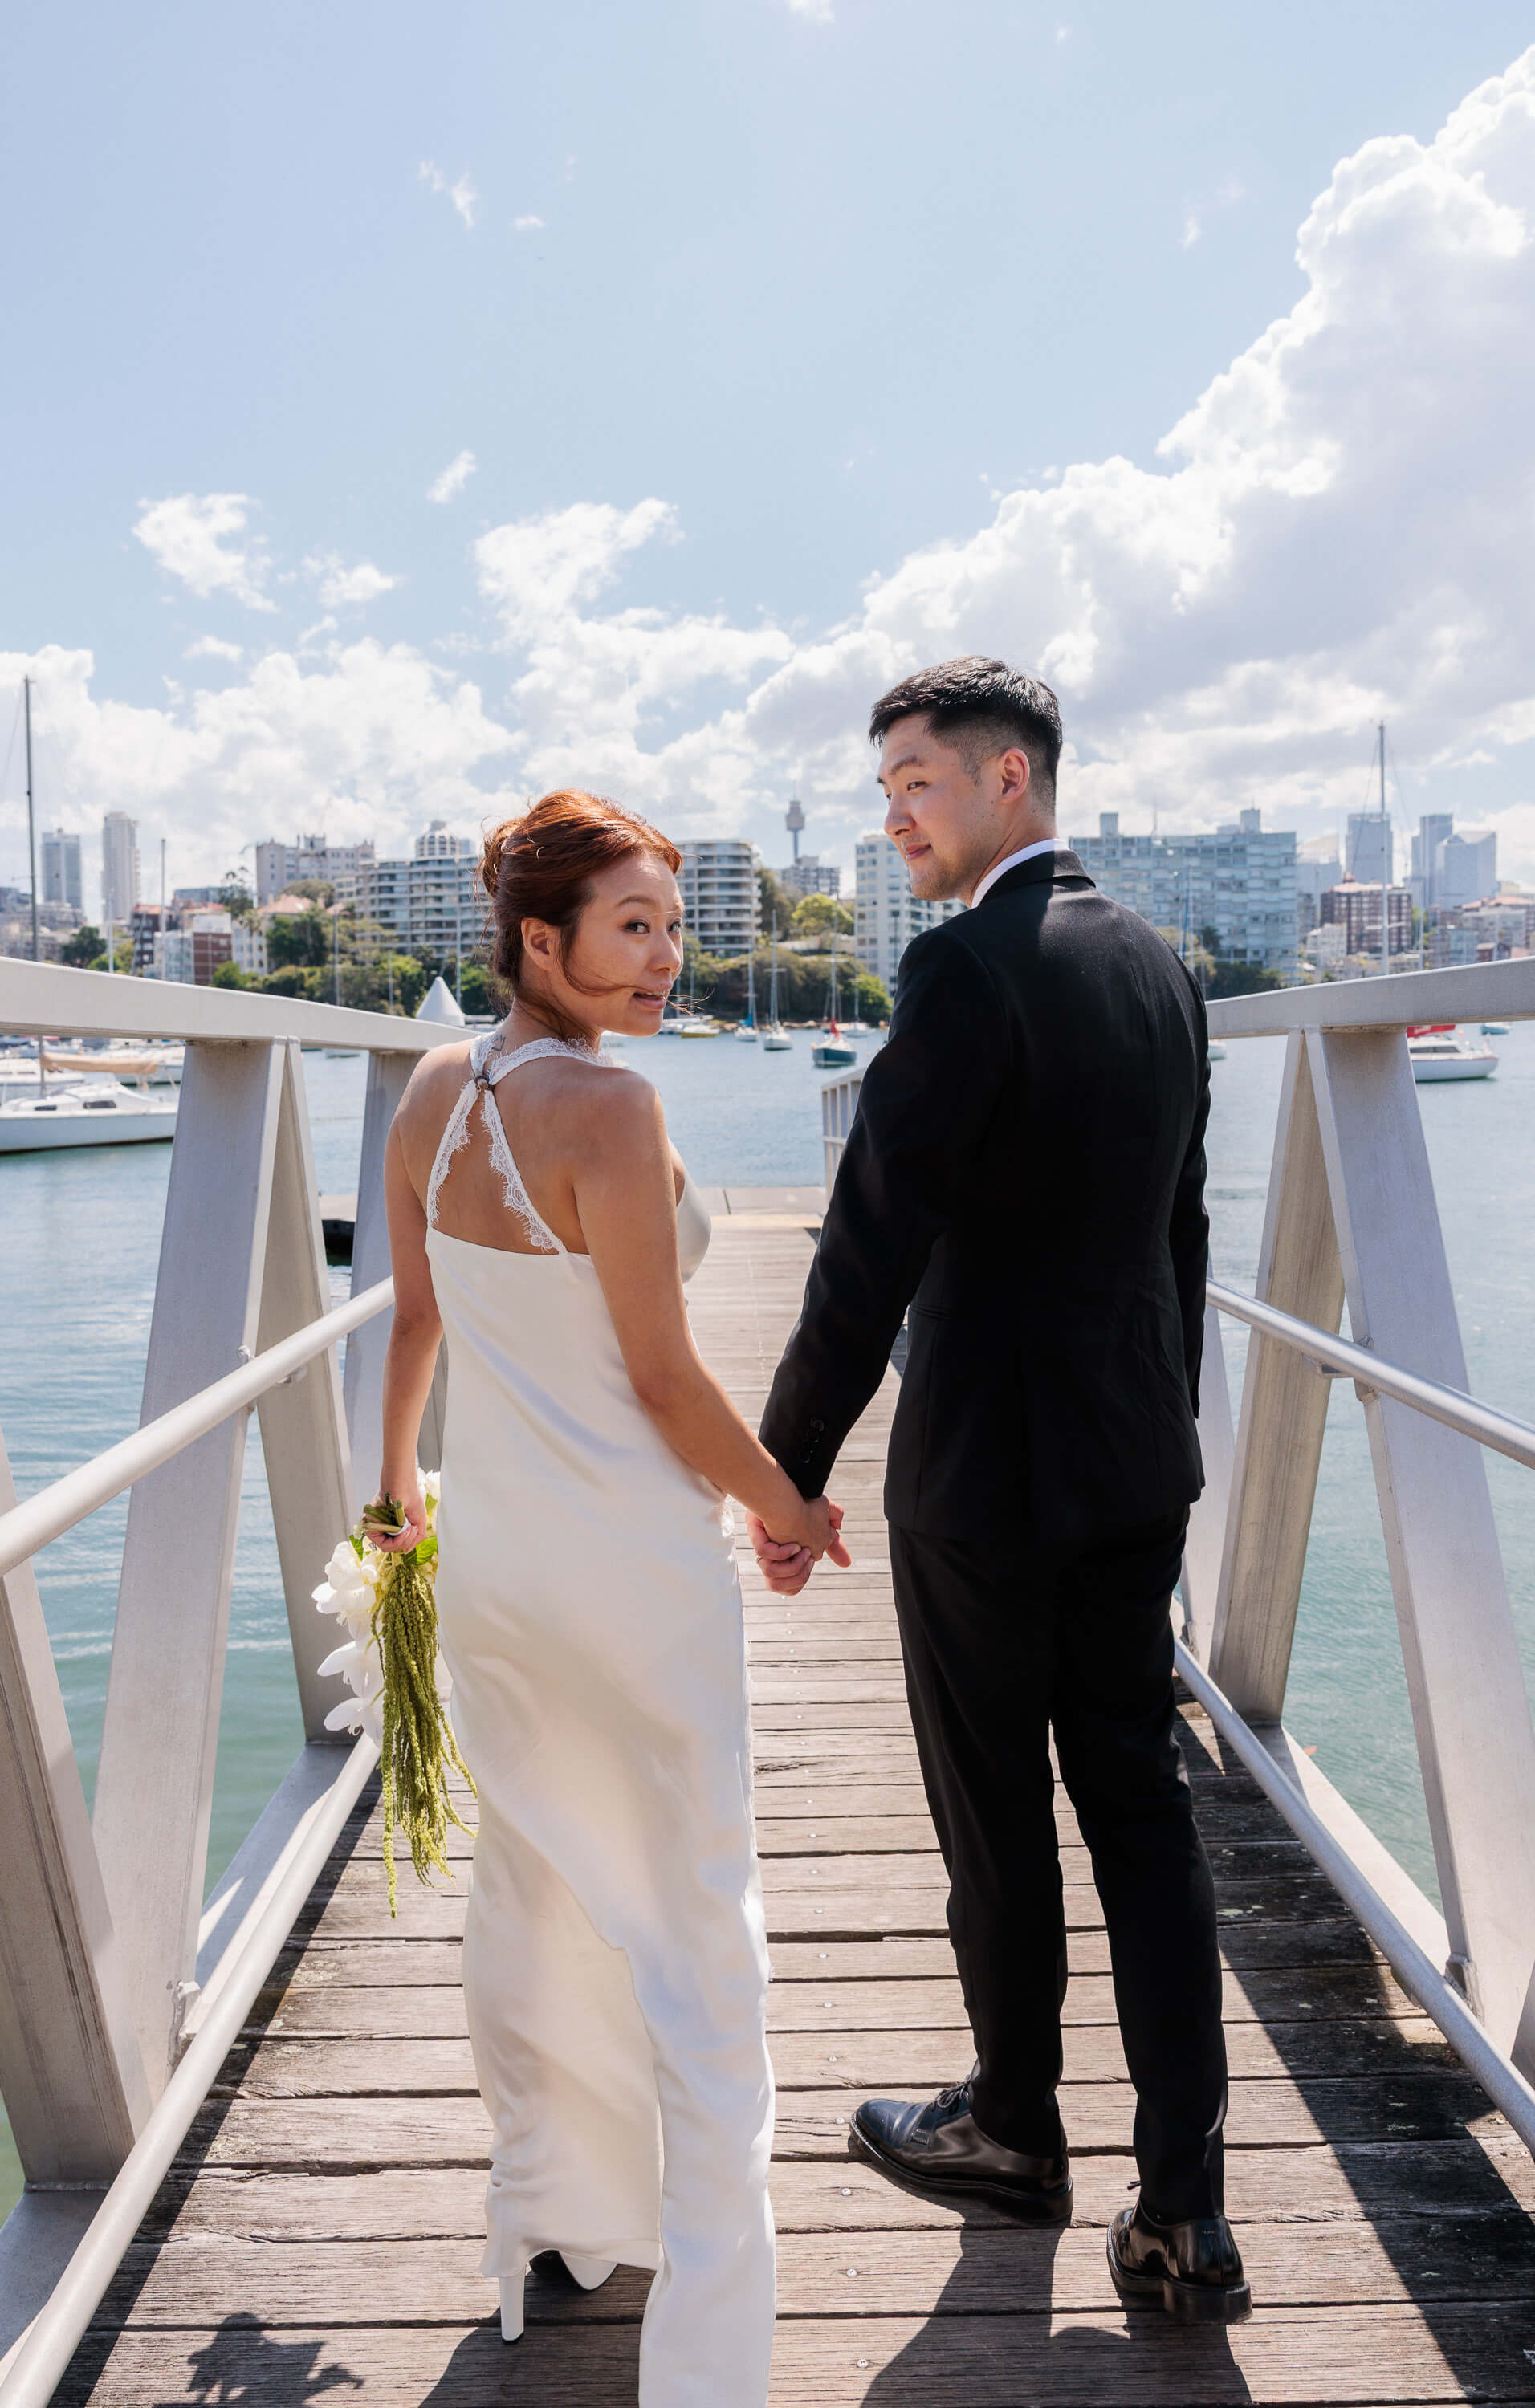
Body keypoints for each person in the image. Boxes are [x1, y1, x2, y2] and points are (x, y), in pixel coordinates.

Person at [751, 658, 1248, 2321]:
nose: (892, 814)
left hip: (981, 1479)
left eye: (914, 783)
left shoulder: (963, 970)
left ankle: (1012, 2130)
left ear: (1008, 785)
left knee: (992, 1817)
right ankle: (1183, 2206)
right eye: (887, 785)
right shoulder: (1162, 971)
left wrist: (784, 1468)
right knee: (1141, 1810)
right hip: (1129, 1462)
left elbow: (867, 1245)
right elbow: (1179, 1238)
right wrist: (1156, 1424)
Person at [368, 789, 849, 2402]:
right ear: (538, 941)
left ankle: (559, 2219)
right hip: (634, 1574)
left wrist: (392, 1494)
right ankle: (706, 2350)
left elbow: (416, 1321)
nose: (665, 957)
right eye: (633, 925)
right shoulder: (614, 1117)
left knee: (543, 1881)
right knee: (697, 1928)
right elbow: (659, 1377)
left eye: (670, 925)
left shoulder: (436, 1089)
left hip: (502, 1562)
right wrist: (789, 1505)